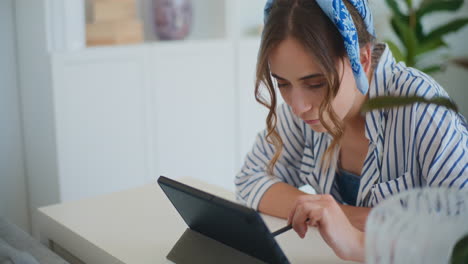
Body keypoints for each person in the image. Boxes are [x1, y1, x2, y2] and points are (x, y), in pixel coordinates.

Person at [235, 0, 468, 262]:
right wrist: (348, 215)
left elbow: (462, 240)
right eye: (283, 84)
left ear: (363, 59)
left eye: (315, 83)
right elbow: (249, 181)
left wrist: (358, 241)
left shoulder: (423, 108)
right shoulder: (304, 112)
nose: (298, 106)